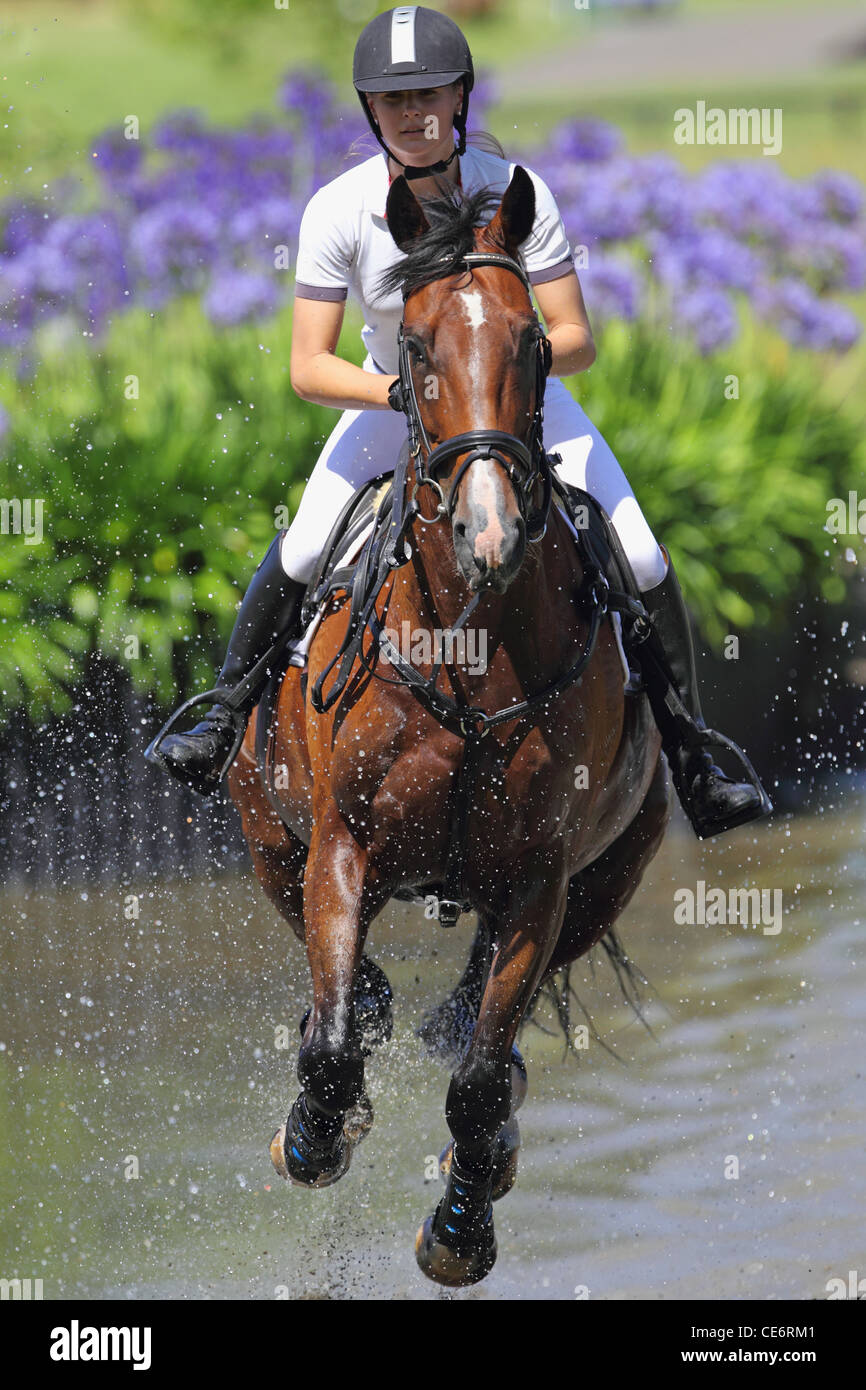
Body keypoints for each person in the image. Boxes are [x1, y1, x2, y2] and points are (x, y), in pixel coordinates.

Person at [147, 4, 770, 839]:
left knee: (645, 552)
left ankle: (695, 757)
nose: (412, 113)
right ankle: (220, 717)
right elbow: (307, 366)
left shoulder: (515, 192)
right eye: (393, 100)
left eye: (428, 94)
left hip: (517, 401)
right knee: (303, 545)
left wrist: (500, 372)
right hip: (395, 399)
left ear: (461, 96)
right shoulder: (338, 210)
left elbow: (576, 335)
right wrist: (407, 396)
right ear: (371, 110)